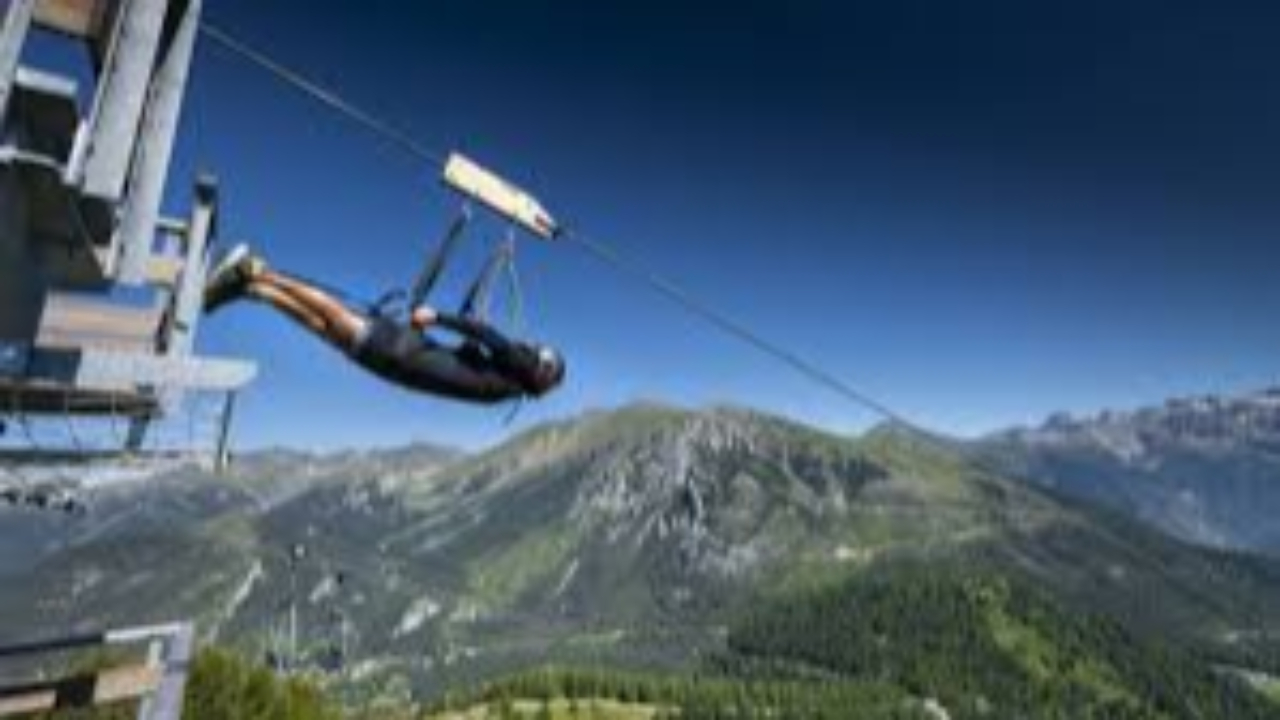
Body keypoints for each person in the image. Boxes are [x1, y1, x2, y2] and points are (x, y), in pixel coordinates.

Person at [202, 244, 565, 404]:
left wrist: (436, 317)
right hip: (394, 368)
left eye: (537, 353)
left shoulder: (517, 368)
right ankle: (253, 291)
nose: (530, 348)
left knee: (331, 315)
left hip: (401, 351)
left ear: (539, 367)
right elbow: (469, 356)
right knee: (322, 326)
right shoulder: (505, 389)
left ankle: (256, 271)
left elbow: (487, 336)